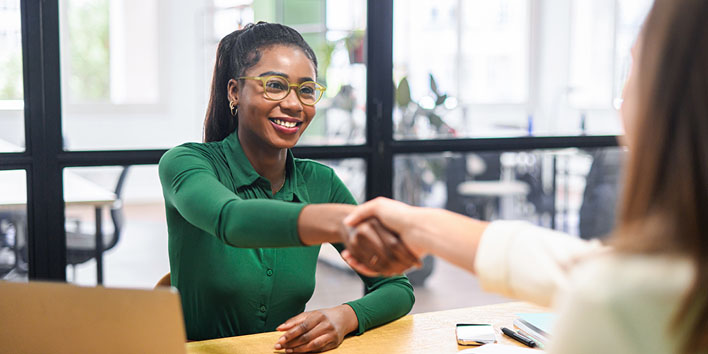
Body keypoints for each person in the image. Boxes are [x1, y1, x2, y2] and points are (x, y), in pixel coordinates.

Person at [341, 0, 708, 353]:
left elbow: (604, 283)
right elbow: (581, 267)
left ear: (671, 99)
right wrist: (421, 226)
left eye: (634, 69)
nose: (624, 96)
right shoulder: (657, 281)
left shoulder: (616, 305)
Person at [158, 22, 417, 352]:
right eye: (275, 86)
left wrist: (347, 316)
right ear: (234, 92)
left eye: (306, 90)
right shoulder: (187, 164)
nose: (295, 104)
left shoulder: (321, 183)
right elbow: (232, 220)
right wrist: (339, 221)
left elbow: (396, 286)